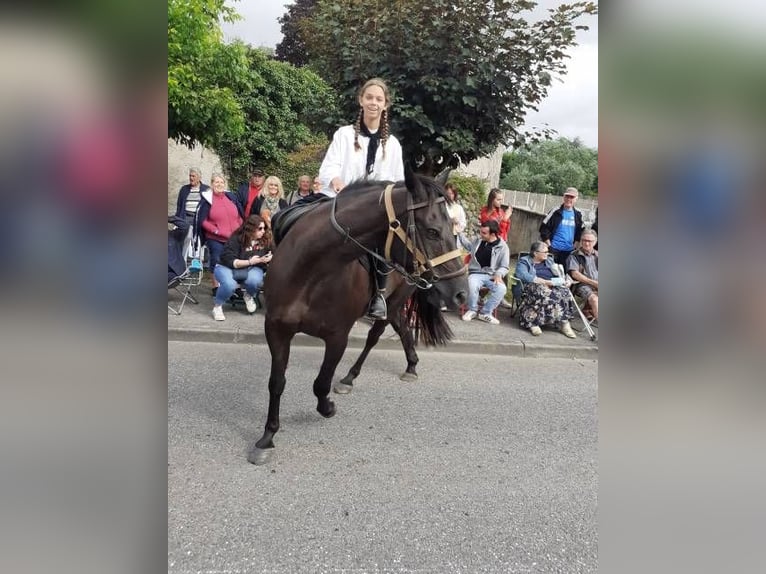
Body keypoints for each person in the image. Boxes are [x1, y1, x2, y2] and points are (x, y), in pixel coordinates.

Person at [317, 77, 405, 320]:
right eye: (369, 98)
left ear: (385, 104)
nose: (373, 103)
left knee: (385, 244)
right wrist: (336, 181)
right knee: (300, 219)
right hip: (339, 200)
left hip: (373, 209)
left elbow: (396, 182)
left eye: (379, 99)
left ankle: (378, 294)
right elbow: (330, 166)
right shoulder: (344, 135)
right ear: (361, 100)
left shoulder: (393, 145)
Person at [212, 215, 273, 321]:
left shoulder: (265, 240)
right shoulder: (236, 239)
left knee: (255, 280)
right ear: (251, 229)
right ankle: (217, 306)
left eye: (264, 228)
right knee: (229, 284)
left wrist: (270, 257)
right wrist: (250, 261)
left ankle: (248, 295)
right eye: (260, 229)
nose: (263, 231)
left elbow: (273, 252)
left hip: (253, 267)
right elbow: (229, 260)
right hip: (227, 266)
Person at [515, 241, 576, 338]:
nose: (547, 254)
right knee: (542, 291)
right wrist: (543, 282)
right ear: (535, 253)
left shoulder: (549, 260)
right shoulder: (524, 261)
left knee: (564, 292)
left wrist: (566, 280)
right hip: (531, 285)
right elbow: (522, 275)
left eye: (547, 252)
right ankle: (533, 323)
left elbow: (559, 272)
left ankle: (564, 323)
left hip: (551, 284)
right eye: (545, 252)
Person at [196, 173, 244, 292]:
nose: (219, 184)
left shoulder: (230, 197)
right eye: (216, 182)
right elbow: (203, 221)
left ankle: (235, 285)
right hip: (215, 238)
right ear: (212, 184)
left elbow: (239, 215)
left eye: (221, 182)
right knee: (217, 260)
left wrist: (239, 226)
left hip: (233, 237)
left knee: (234, 260)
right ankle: (216, 286)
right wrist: (217, 231)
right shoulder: (207, 199)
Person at [457, 219, 509, 325]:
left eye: (484, 233)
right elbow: (468, 245)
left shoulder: (503, 247)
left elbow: (504, 266)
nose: (481, 234)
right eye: (480, 231)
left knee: (501, 289)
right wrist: (459, 233)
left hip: (492, 275)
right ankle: (472, 310)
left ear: (493, 234)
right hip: (476, 273)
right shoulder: (478, 240)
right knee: (472, 284)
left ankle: (485, 313)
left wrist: (499, 274)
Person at [539, 186, 584, 265]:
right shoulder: (555, 211)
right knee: (549, 272)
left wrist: (575, 247)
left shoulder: (578, 214)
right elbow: (544, 228)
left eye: (572, 197)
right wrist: (549, 245)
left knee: (565, 273)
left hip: (569, 251)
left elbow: (580, 232)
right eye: (567, 196)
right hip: (553, 249)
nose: (569, 199)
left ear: (576, 199)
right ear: (563, 197)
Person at [173, 167, 209, 259]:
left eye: (193, 176)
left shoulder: (206, 190)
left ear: (199, 177)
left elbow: (209, 207)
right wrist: (177, 221)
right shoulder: (184, 189)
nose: (191, 178)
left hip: (199, 218)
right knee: (185, 238)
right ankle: (182, 260)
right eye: (190, 176)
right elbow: (179, 206)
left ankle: (198, 260)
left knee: (199, 238)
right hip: (186, 217)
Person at [566, 228, 598, 323]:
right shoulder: (574, 255)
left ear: (595, 242)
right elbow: (575, 274)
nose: (586, 243)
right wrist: (594, 283)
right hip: (581, 285)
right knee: (595, 299)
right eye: (584, 240)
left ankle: (588, 310)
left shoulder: (598, 255)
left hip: (597, 284)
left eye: (589, 241)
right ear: (580, 241)